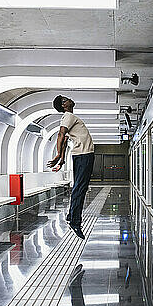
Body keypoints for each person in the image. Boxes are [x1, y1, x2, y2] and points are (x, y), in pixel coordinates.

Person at [47, 95, 94, 239]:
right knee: (80, 188)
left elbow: (65, 139)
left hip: (82, 155)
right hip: (83, 155)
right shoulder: (68, 116)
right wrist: (57, 155)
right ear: (64, 105)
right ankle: (75, 221)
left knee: (79, 187)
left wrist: (62, 159)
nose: (70, 99)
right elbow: (61, 134)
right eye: (66, 99)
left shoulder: (70, 117)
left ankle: (70, 216)